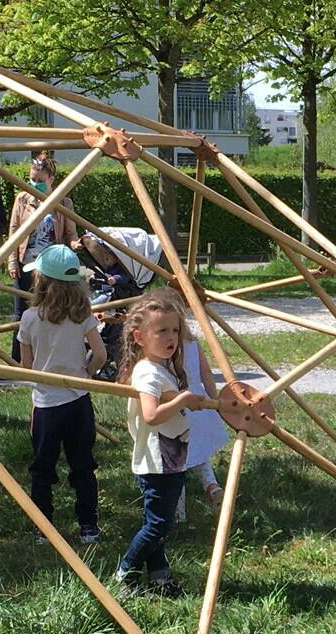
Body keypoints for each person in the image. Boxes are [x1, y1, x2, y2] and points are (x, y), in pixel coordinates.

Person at [115, 294, 218, 599]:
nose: (170, 337)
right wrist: (184, 400)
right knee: (158, 524)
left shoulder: (164, 367)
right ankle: (125, 573)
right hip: (157, 462)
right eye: (161, 331)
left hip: (171, 459)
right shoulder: (148, 372)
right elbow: (151, 415)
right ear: (140, 337)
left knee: (159, 522)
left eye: (174, 330)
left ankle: (160, 579)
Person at [16, 244, 107, 546]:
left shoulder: (29, 318)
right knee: (83, 464)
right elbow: (101, 354)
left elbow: (27, 366)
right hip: (79, 403)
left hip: (46, 405)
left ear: (40, 280)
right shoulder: (83, 314)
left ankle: (44, 529)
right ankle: (89, 527)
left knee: (43, 468)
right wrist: (86, 375)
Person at [152, 286, 229, 516]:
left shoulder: (163, 346)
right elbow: (207, 374)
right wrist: (214, 402)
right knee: (200, 454)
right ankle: (212, 486)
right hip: (199, 403)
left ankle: (178, 514)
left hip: (178, 406)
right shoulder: (192, 341)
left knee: (177, 463)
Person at [9, 151, 75, 358]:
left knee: (49, 309)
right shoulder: (22, 199)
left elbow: (70, 232)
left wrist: (75, 245)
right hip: (26, 261)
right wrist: (12, 262)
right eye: (32, 179)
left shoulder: (63, 203)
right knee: (21, 313)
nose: (34, 183)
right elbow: (13, 231)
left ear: (51, 179)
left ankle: (44, 355)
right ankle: (16, 359)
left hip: (51, 267)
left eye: (40, 180)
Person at [82, 226, 166, 377]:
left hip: (118, 295)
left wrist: (114, 280)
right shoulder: (111, 267)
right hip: (111, 294)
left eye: (109, 255)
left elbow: (124, 279)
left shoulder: (124, 271)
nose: (106, 259)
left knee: (97, 307)